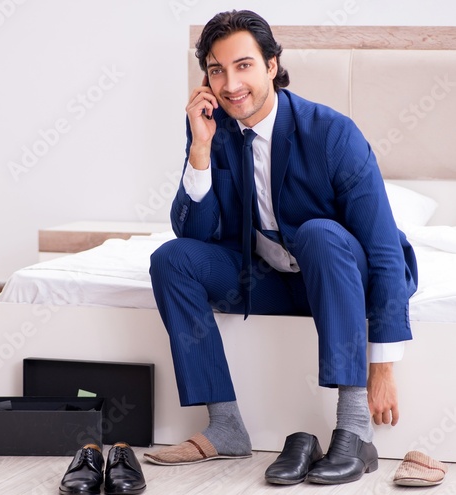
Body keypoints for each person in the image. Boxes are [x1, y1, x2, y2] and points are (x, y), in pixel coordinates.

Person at [144, 9, 417, 485]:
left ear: (272, 64)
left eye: (243, 65)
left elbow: (383, 249)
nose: (230, 84)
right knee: (171, 258)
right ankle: (225, 426)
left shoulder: (332, 133)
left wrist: (384, 364)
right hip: (267, 279)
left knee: (318, 231)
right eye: (216, 69)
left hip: (339, 273)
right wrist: (200, 152)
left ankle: (353, 432)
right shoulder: (212, 129)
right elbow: (194, 232)